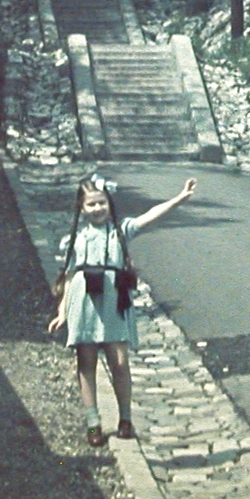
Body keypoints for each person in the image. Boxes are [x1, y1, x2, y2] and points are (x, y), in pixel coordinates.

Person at [48, 174, 197, 446]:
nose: (97, 209)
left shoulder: (120, 231)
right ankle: (93, 422)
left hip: (114, 301)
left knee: (120, 361)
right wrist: (62, 312)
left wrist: (179, 198)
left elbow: (150, 216)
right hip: (84, 303)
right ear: (81, 208)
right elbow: (69, 278)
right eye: (91, 205)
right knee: (87, 361)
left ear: (110, 203)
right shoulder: (77, 240)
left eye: (102, 203)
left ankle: (125, 419)